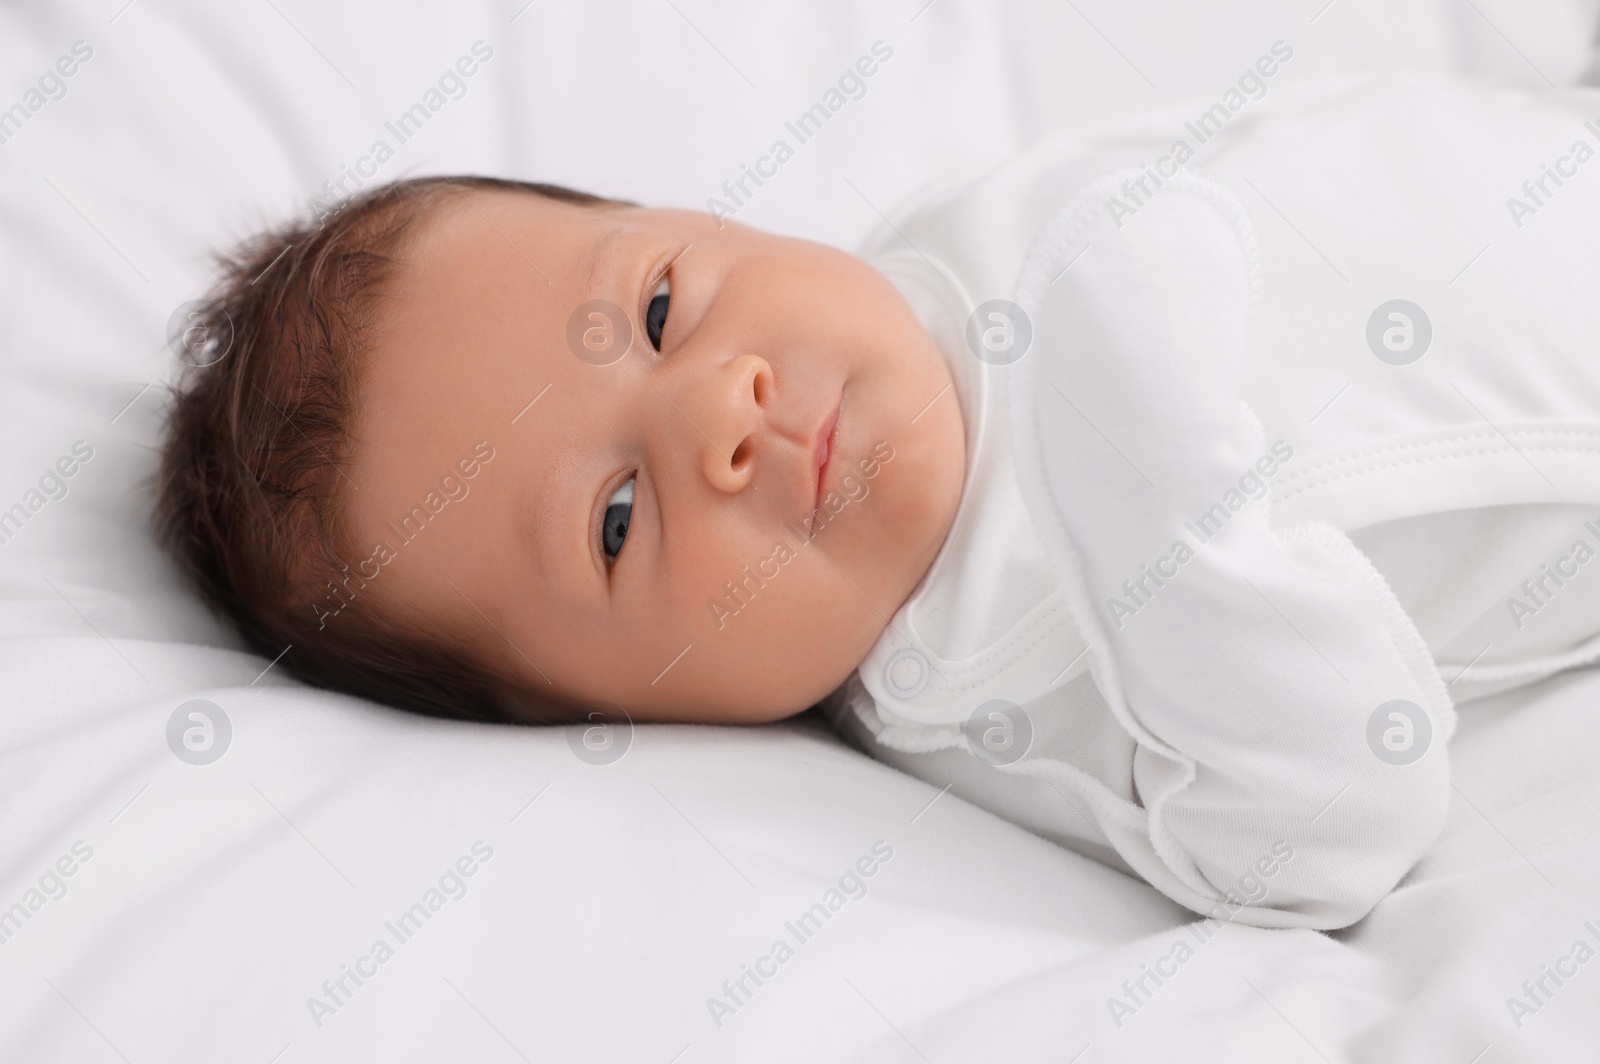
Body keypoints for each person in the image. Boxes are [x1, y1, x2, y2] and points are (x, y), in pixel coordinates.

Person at [158, 76, 1600, 928]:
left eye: (659, 307)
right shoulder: (979, 674)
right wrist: (1167, 504)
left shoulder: (951, 236)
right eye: (615, 522)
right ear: (607, 713)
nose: (718, 415)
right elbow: (1324, 835)